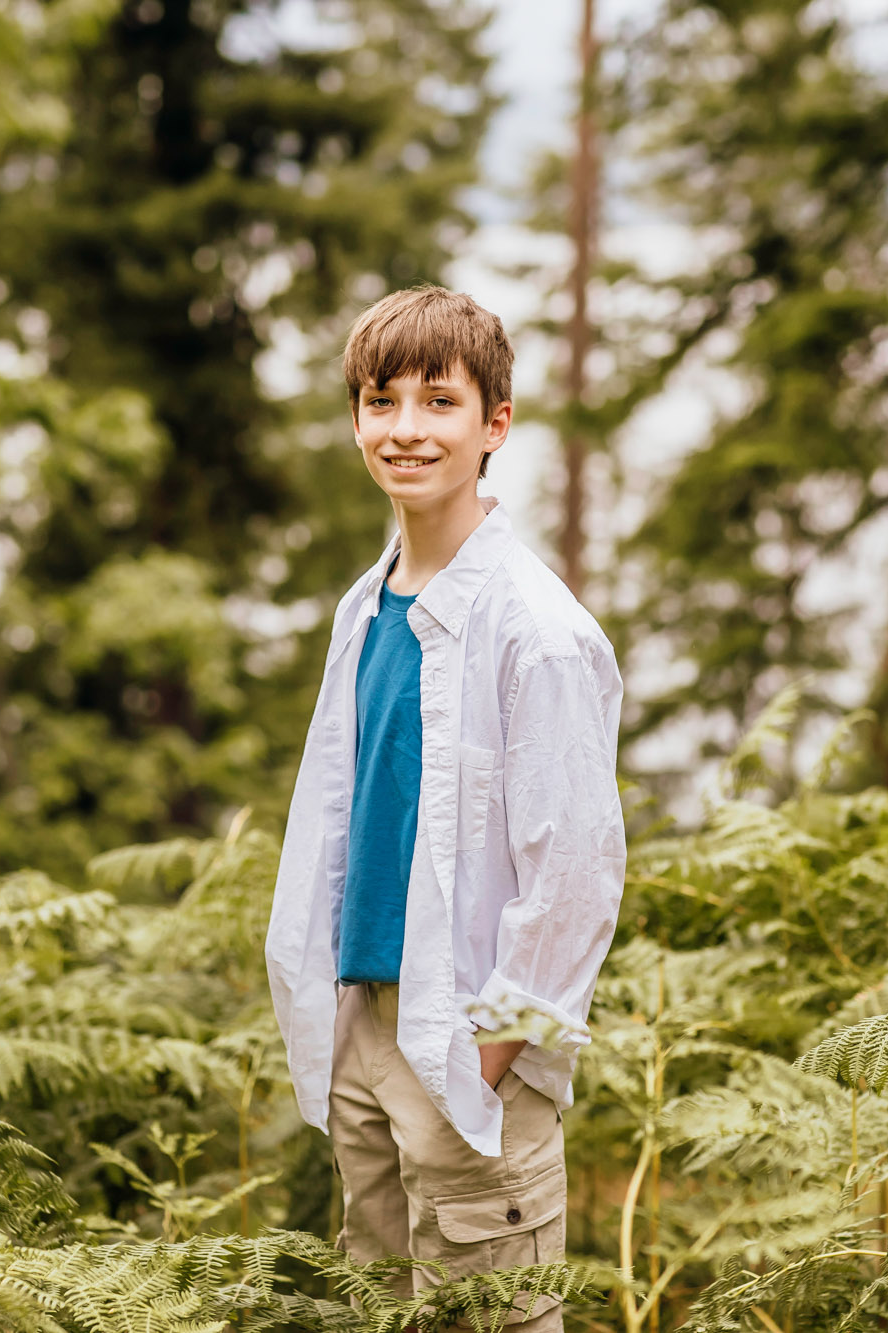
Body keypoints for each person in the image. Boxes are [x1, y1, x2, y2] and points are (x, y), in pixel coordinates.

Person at [264, 285, 628, 1332]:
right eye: (381, 402)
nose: (406, 429)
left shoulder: (537, 631)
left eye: (439, 401)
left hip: (467, 1050)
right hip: (366, 1025)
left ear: (494, 424)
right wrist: (351, 1035)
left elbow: (574, 874)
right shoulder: (365, 605)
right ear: (355, 419)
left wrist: (487, 1057)